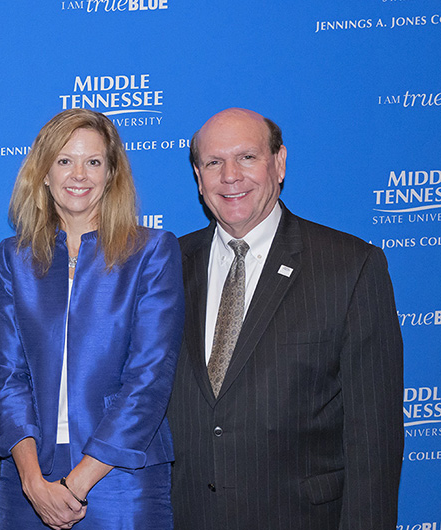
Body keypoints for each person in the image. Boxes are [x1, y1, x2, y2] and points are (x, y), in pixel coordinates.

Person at [168, 108, 403, 530]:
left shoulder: (349, 267)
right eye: (214, 162)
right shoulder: (165, 267)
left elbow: (374, 437)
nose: (230, 176)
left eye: (246, 157)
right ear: (199, 177)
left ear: (278, 163)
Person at [0, 109, 183, 530]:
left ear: (111, 173)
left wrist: (76, 485)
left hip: (121, 477)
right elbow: (9, 375)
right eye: (64, 161)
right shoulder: (13, 258)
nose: (79, 174)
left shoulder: (151, 252)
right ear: (44, 173)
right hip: (30, 480)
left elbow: (148, 379)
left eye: (93, 162)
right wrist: (33, 483)